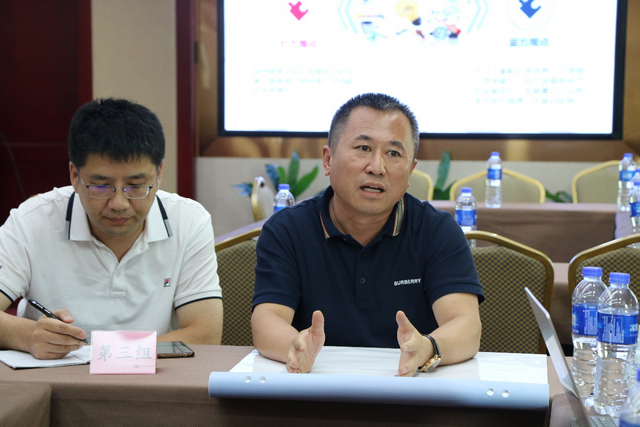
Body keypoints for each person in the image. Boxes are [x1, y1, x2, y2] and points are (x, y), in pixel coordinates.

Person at [251, 93, 483, 376]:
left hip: (411, 388)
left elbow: (466, 325)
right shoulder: (287, 230)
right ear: (328, 159)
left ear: (410, 171)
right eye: (363, 148)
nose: (377, 167)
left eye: (393, 153)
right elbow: (268, 318)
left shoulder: (437, 231)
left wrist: (428, 348)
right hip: (313, 385)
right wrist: (296, 348)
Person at [0, 98, 223, 359]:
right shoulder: (31, 221)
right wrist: (27, 335)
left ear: (158, 174)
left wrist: (102, 356)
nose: (119, 203)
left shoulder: (188, 220)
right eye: (101, 186)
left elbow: (205, 334)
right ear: (74, 176)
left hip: (155, 377)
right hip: (54, 377)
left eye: (136, 186)